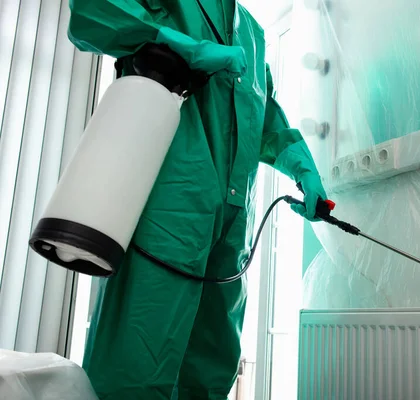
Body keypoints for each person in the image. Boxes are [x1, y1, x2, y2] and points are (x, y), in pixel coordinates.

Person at [67, 0, 327, 399]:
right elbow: (91, 13)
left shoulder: (254, 36)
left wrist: (303, 169)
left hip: (230, 230)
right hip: (169, 209)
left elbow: (269, 121)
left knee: (211, 367)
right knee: (136, 362)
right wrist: (176, 42)